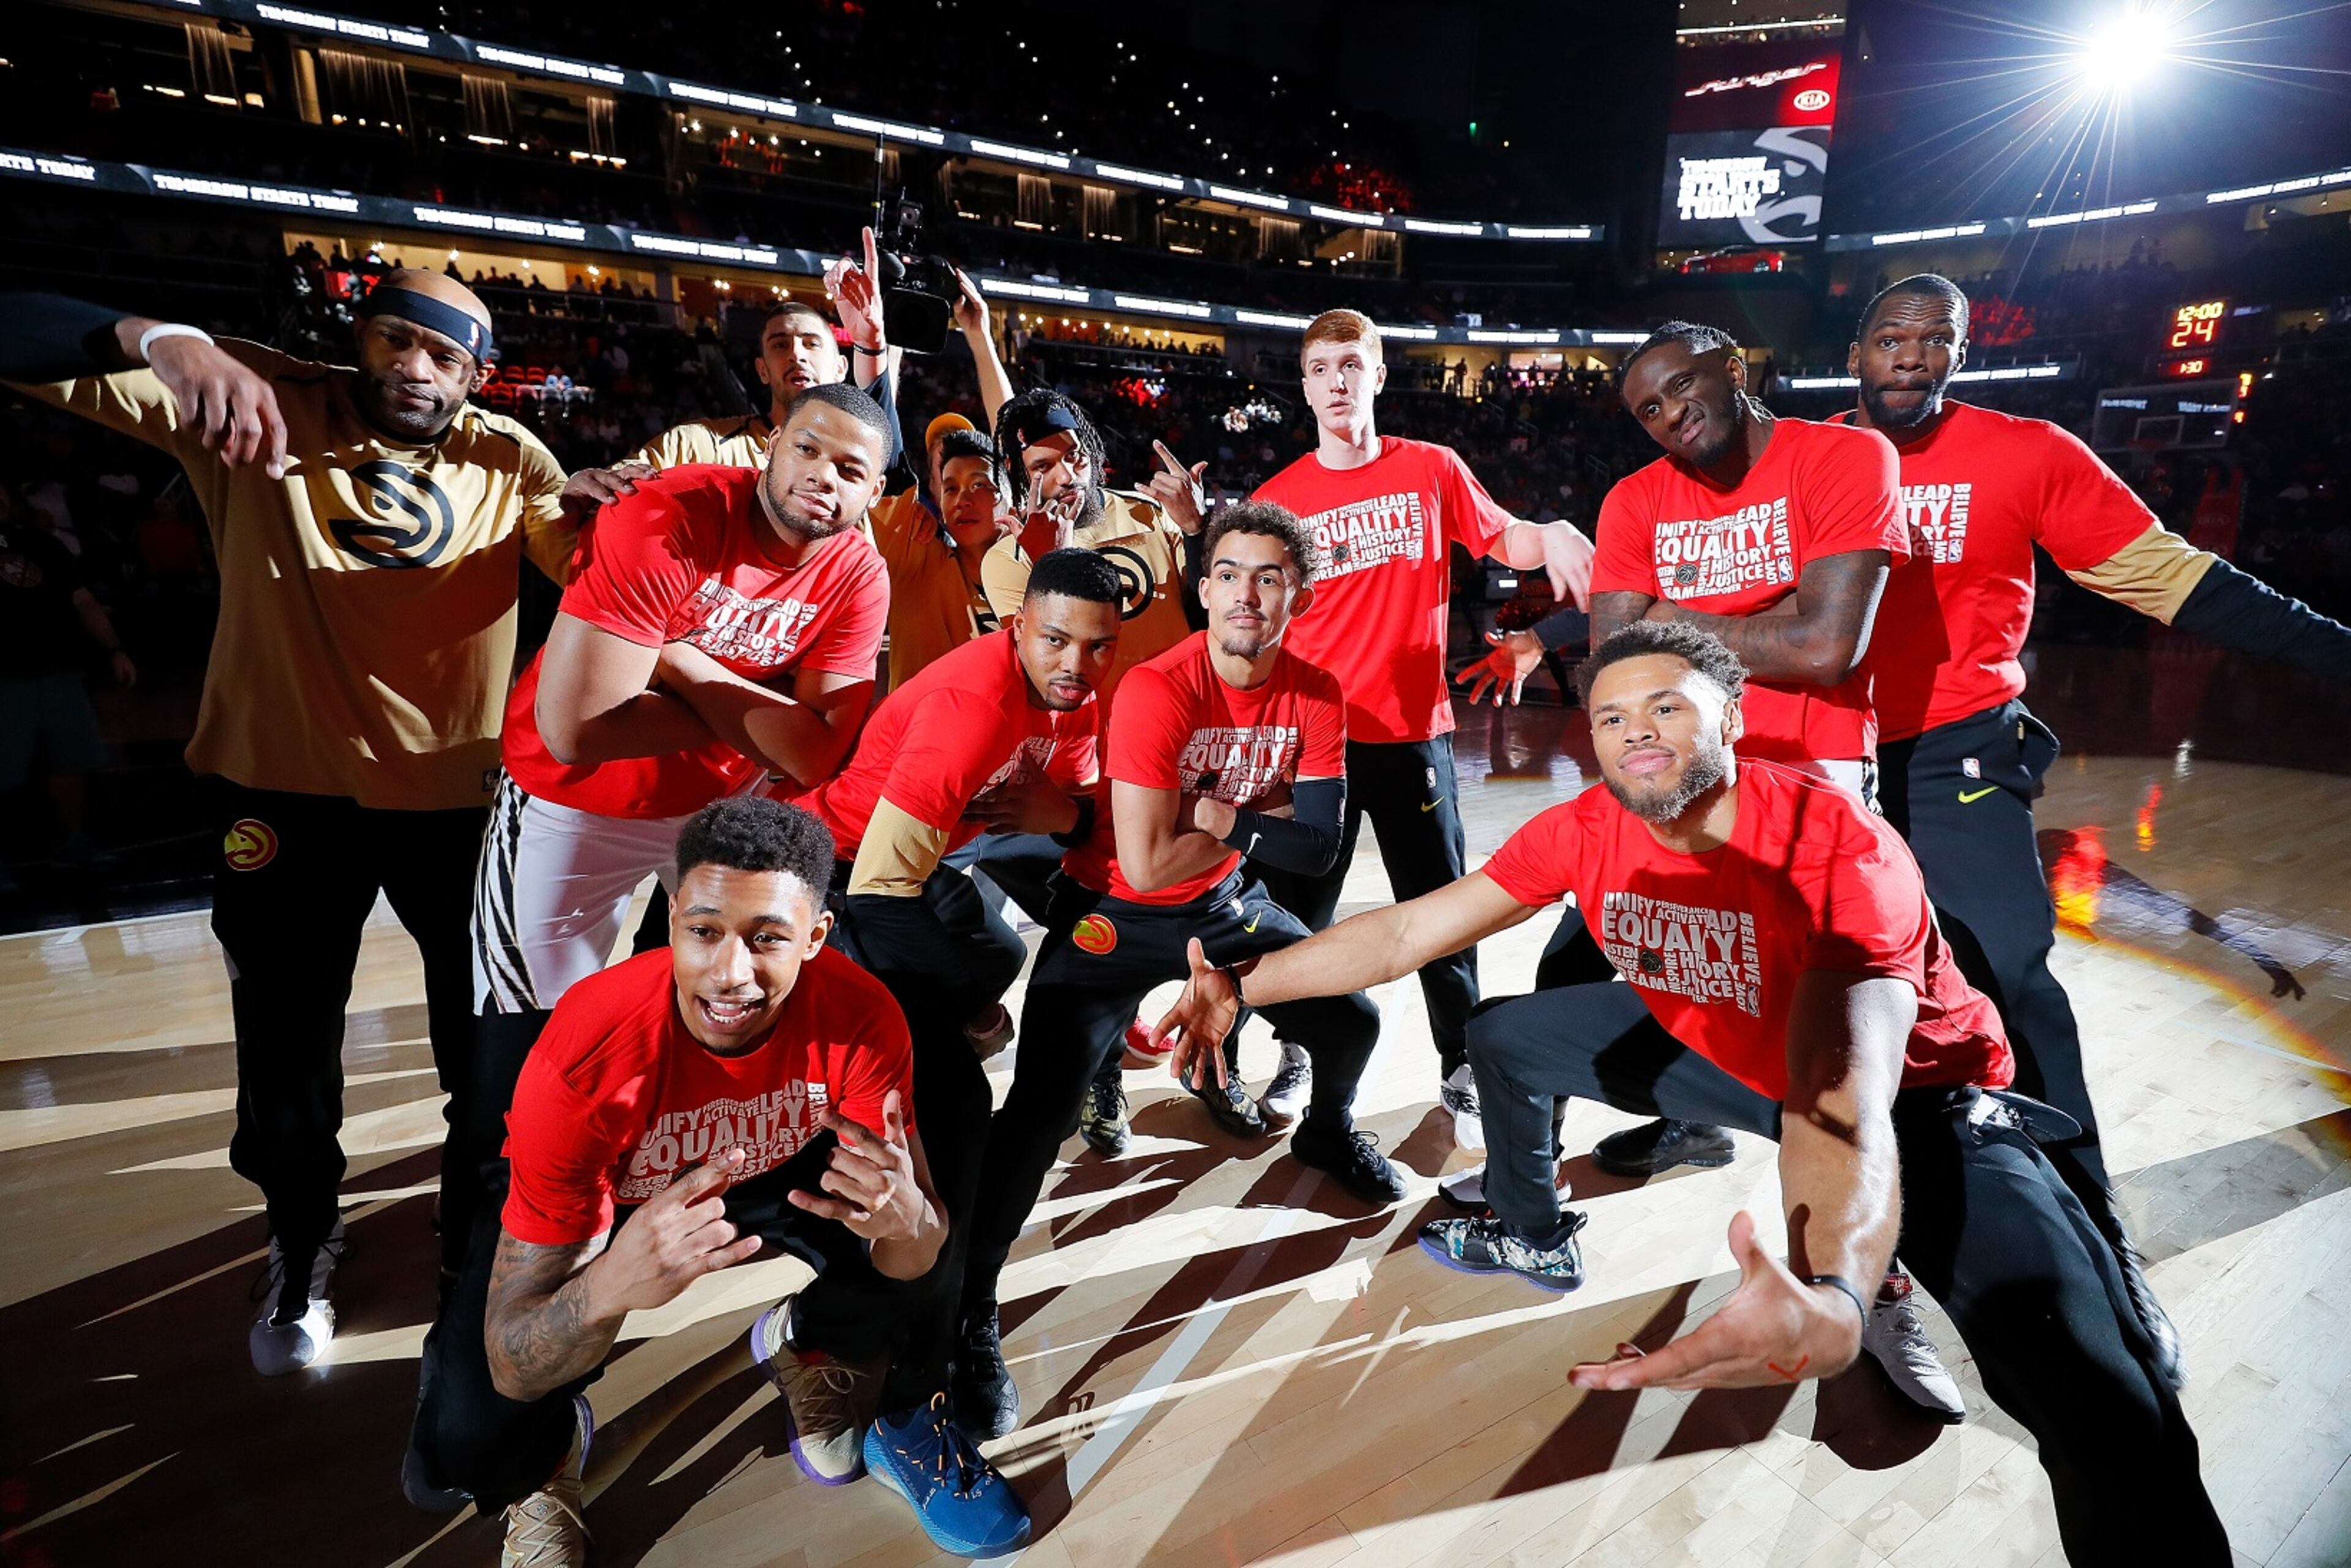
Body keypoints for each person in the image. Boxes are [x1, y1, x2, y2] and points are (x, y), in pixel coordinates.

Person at [1150, 621, 2231, 1568]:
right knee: (1510, 1034)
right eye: (1612, 716)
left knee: (2116, 1423)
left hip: (1921, 1104)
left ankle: (1874, 1284)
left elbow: (1839, 1095)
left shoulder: (1834, 848)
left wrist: (1832, 1291)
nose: (1636, 730)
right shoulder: (1589, 829)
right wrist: (1241, 986)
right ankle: (1539, 1233)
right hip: (1746, 1059)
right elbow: (1400, 934)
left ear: (1734, 714)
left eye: (1668, 703)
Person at [9, 272, 578, 1375]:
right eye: (396, 341)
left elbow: (607, 574)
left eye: (446, 357)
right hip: (279, 797)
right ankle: (303, 1233)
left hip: (453, 803)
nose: (416, 369)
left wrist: (627, 512)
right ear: (356, 340)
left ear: (478, 373)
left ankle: (471, 1241)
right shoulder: (248, 400)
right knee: (284, 1042)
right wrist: (162, 334)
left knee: (487, 1044)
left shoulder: (511, 460)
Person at [1826, 272, 2351, 1387]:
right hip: (1823, 766)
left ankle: (2102, 1243)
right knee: (1827, 1005)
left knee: (2007, 981)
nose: (1913, 357)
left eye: (1937, 340)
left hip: (1955, 756)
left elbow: (2175, 580)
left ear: (1959, 355)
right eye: (1892, 337)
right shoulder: (1798, 457)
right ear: (1856, 348)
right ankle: (1865, 1264)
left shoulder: (2027, 452)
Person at [416, 797, 998, 1564]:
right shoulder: (587, 1054)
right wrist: (611, 1285)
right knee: (467, 1437)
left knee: (920, 1231)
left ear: (817, 938)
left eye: (768, 939)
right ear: (673, 923)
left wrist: (908, 1221)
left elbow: (916, 1256)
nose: (730, 974)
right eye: (704, 931)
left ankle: (811, 1343)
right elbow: (511, 1351)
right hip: (618, 1201)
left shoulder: (861, 1016)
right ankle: (546, 1459)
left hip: (777, 1173)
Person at [950, 503, 1405, 1440]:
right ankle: (971, 1313)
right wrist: (1254, 815)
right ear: (1202, 591)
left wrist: (1218, 815)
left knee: (1351, 1020)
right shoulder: (1160, 688)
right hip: (1114, 907)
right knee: (1036, 1115)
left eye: (1269, 576)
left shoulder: (1320, 692)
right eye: (1229, 573)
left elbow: (1320, 854)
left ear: (1297, 597)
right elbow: (1149, 862)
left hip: (1224, 902)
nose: (1247, 592)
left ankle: (1325, 1133)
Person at [1149, 309, 1595, 1151]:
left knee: (1442, 912)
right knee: (1292, 910)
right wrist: (1191, 528)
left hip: (1412, 735)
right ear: (1307, 384)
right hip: (1310, 742)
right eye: (1321, 369)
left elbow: (1508, 534)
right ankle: (1301, 1048)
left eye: (1353, 364)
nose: (1338, 382)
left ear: (1379, 375)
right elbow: (1233, 596)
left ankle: (1462, 1062)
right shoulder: (1282, 498)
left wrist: (1558, 533)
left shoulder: (1431, 468)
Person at [780, 548, 1124, 1553]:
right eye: (1055, 638)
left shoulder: (1077, 695)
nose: (1074, 662)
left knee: (994, 947)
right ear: (1014, 625)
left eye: (1095, 648)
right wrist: (956, 1016)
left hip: (924, 868)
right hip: (842, 880)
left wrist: (1072, 816)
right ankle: (894, 1394)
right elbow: (882, 889)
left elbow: (1089, 836)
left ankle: (865, 1333)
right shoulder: (976, 705)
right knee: (946, 1133)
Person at [1, 486, 138, 882]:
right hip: (5, 677)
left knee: (68, 762)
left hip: (58, 671)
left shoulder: (42, 542)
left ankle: (72, 843)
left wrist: (116, 649)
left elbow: (83, 600)